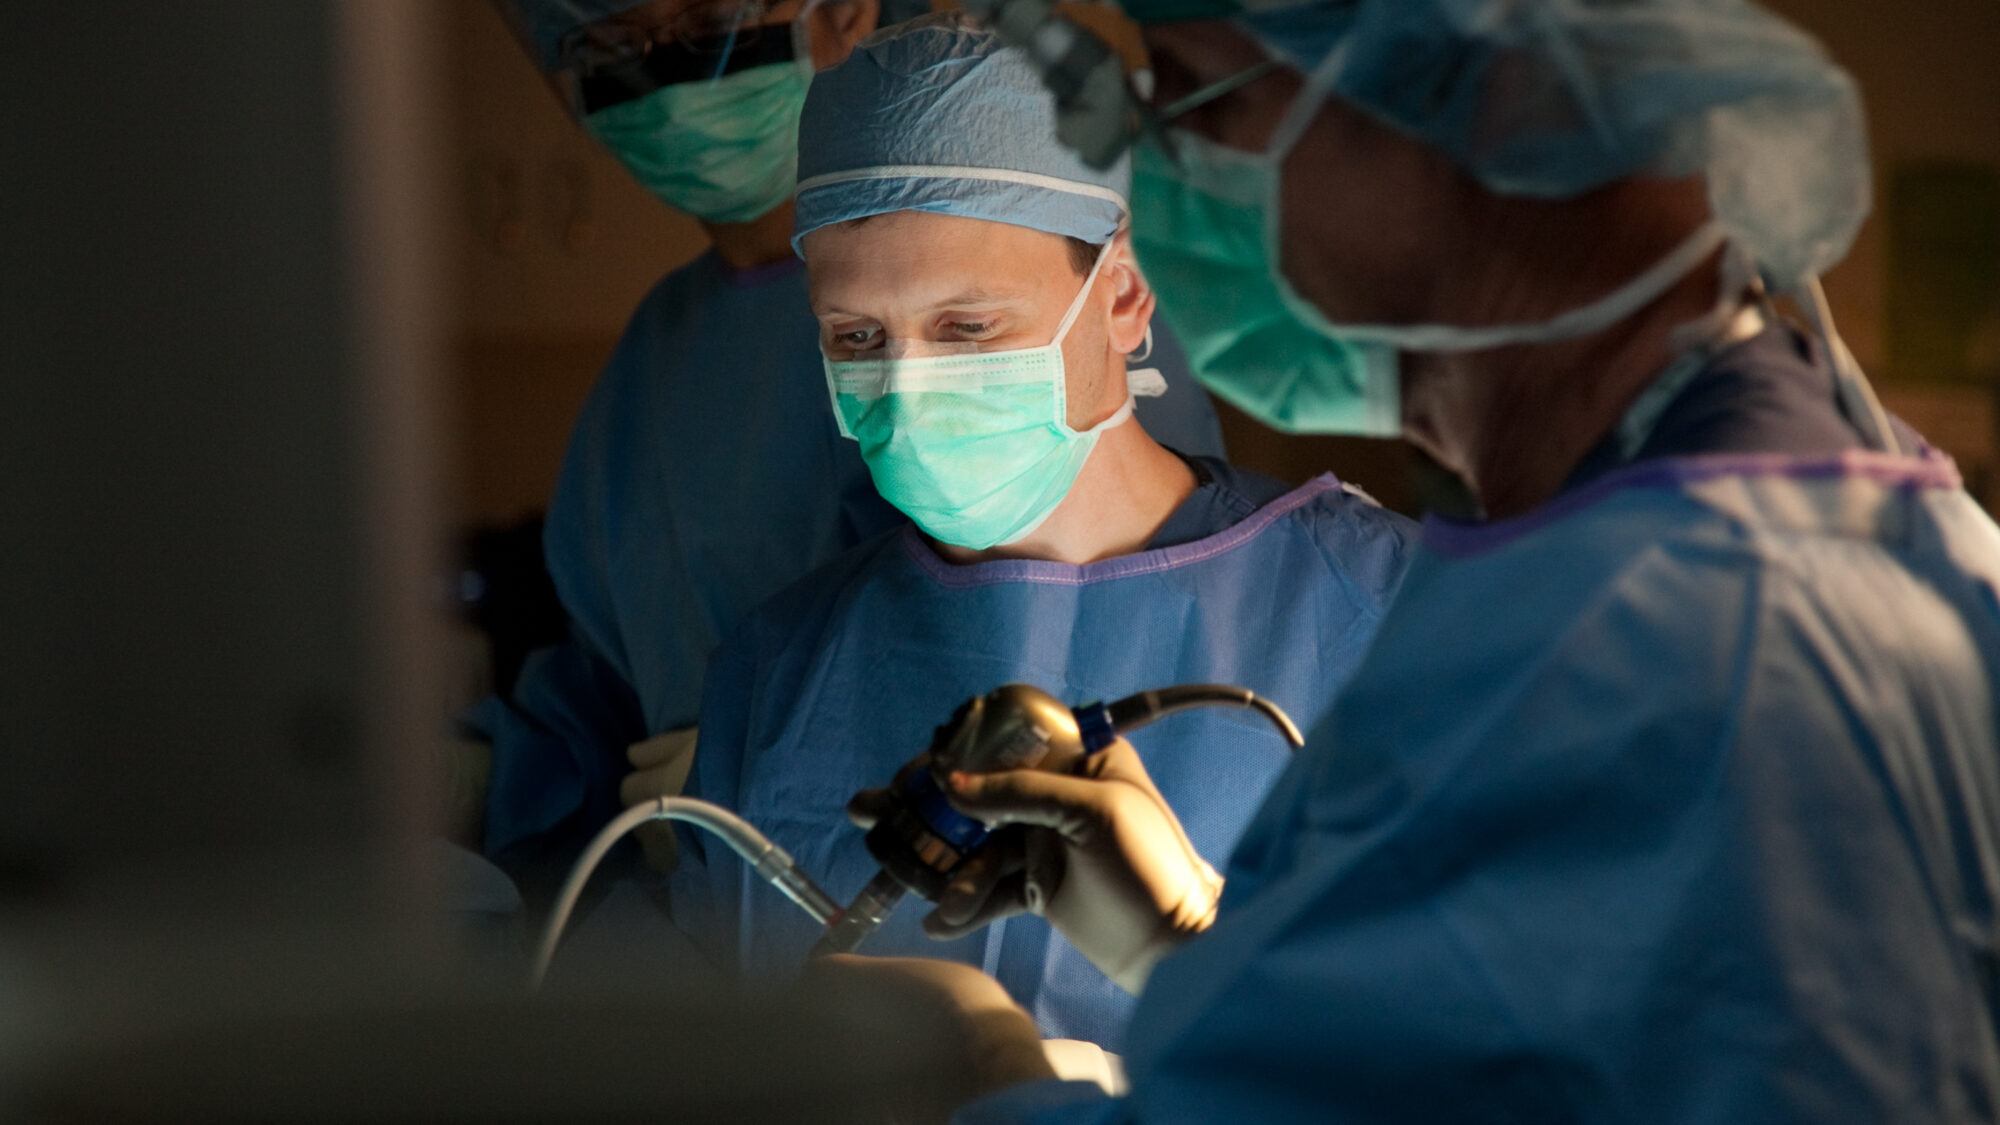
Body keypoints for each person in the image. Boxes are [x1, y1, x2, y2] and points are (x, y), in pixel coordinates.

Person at [817, 1, 2000, 1120]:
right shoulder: (1697, 528)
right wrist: (1189, 942)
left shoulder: (1687, 625)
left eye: (1194, 102)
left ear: (1496, 117)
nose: (1157, 178)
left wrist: (978, 1062)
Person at [662, 12, 1415, 1054]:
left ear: (1122, 297)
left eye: (967, 328)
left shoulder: (1376, 611)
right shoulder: (780, 668)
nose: (909, 386)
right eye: (858, 338)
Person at [471, 0, 1229, 882]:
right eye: (614, 41)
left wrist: (816, 777)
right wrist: (480, 782)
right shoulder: (659, 356)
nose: (657, 65)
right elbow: (603, 690)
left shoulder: (1049, 307)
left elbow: (1127, 623)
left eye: (699, 20)